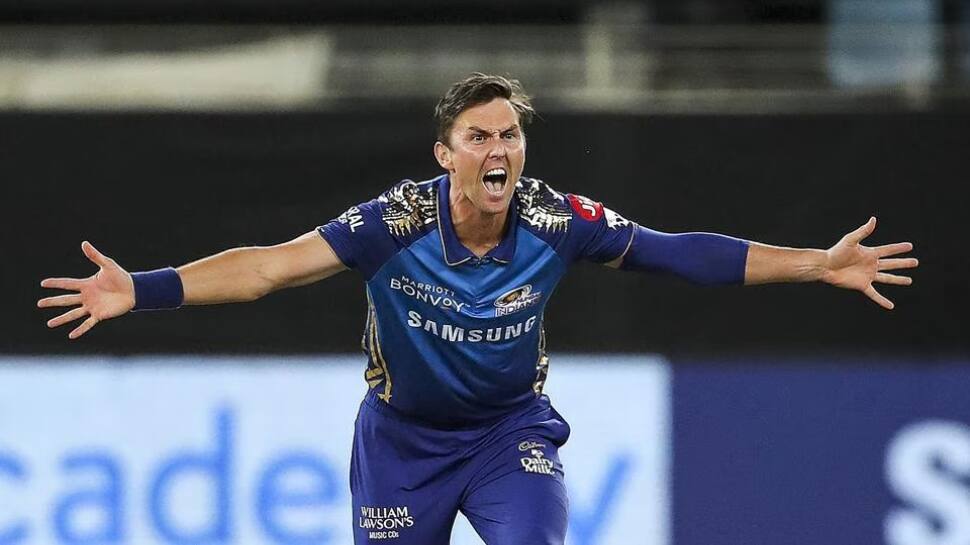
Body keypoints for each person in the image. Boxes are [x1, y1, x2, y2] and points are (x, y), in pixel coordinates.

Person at [37, 73, 918, 545]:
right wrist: (142, 287)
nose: (499, 149)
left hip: (507, 434)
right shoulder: (392, 224)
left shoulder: (557, 220)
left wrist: (816, 264)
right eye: (479, 137)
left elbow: (676, 252)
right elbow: (268, 269)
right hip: (400, 445)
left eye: (510, 134)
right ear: (445, 154)